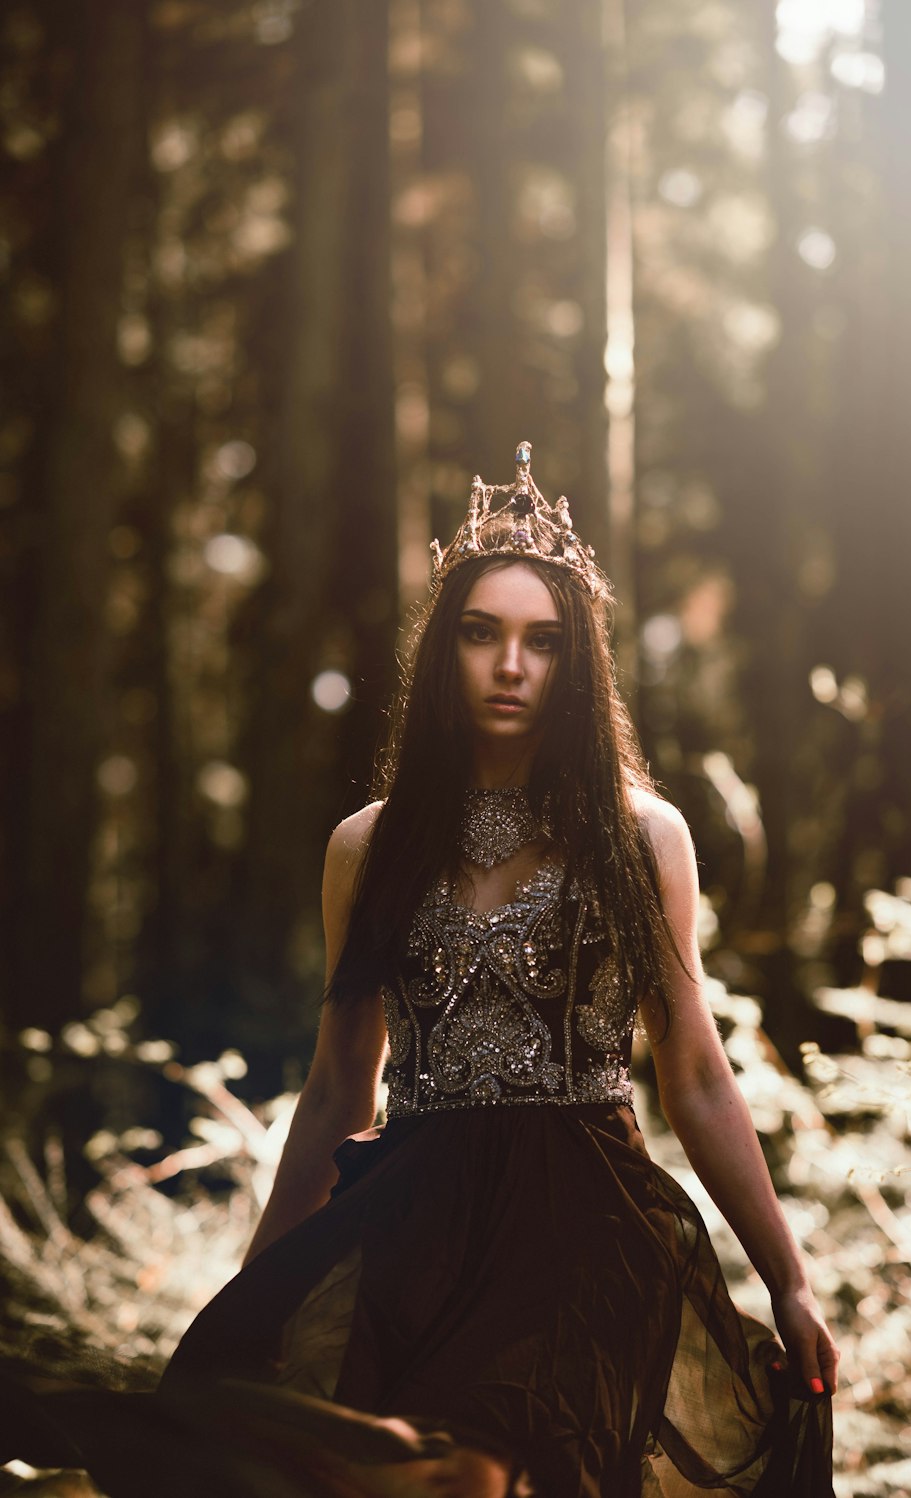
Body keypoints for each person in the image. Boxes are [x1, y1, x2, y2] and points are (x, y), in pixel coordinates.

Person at [0, 441, 837, 1497]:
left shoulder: (643, 837)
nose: (510, 665)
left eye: (542, 641)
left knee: (479, 1472)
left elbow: (698, 1073)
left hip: (581, 1220)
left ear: (577, 663)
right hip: (414, 1217)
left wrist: (790, 1279)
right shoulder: (367, 846)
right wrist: (257, 1286)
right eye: (482, 634)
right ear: (443, 651)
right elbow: (339, 1085)